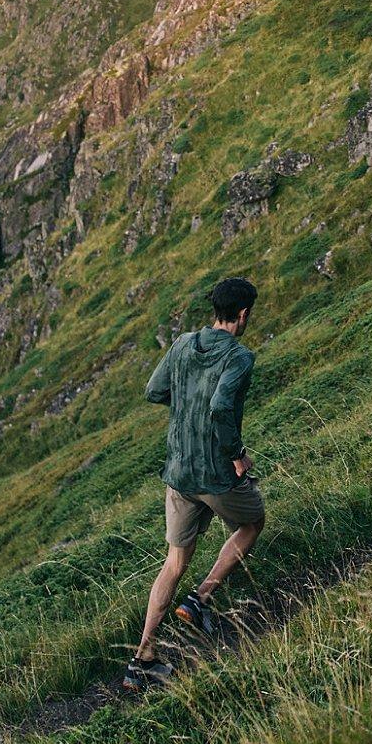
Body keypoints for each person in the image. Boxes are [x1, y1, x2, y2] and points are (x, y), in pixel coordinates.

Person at [123, 276, 265, 691]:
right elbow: (221, 406)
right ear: (242, 315)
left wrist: (186, 403)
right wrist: (237, 454)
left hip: (179, 472)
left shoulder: (183, 343)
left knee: (174, 561)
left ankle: (143, 658)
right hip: (215, 473)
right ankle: (201, 598)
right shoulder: (239, 357)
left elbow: (154, 390)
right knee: (252, 524)